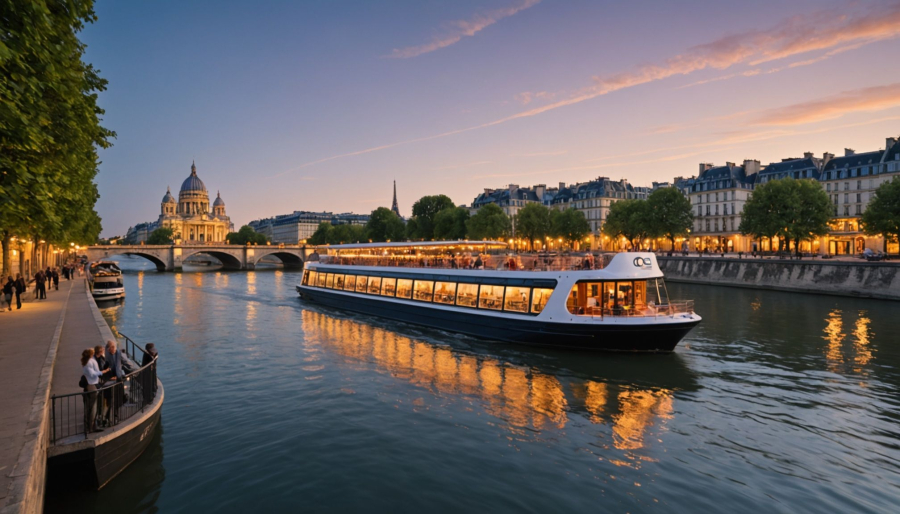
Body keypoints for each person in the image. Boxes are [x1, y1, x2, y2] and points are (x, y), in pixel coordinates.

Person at [81, 348, 104, 433]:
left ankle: (90, 426)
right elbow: (92, 374)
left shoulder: (85, 361)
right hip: (91, 385)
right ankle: (91, 427)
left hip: (89, 385)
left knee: (89, 407)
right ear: (91, 354)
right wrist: (102, 372)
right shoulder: (89, 362)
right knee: (92, 407)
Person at [94, 345, 116, 426]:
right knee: (107, 401)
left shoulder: (97, 358)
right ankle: (105, 418)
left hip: (102, 382)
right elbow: (102, 370)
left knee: (103, 402)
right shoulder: (101, 359)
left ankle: (102, 418)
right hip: (105, 382)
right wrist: (109, 372)